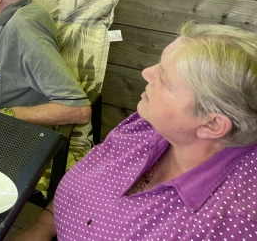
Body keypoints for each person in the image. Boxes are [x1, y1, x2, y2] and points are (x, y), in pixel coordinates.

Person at [15, 22, 257, 240]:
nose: (146, 73)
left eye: (164, 79)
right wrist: (44, 225)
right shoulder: (147, 124)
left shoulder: (232, 223)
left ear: (211, 125)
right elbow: (89, 174)